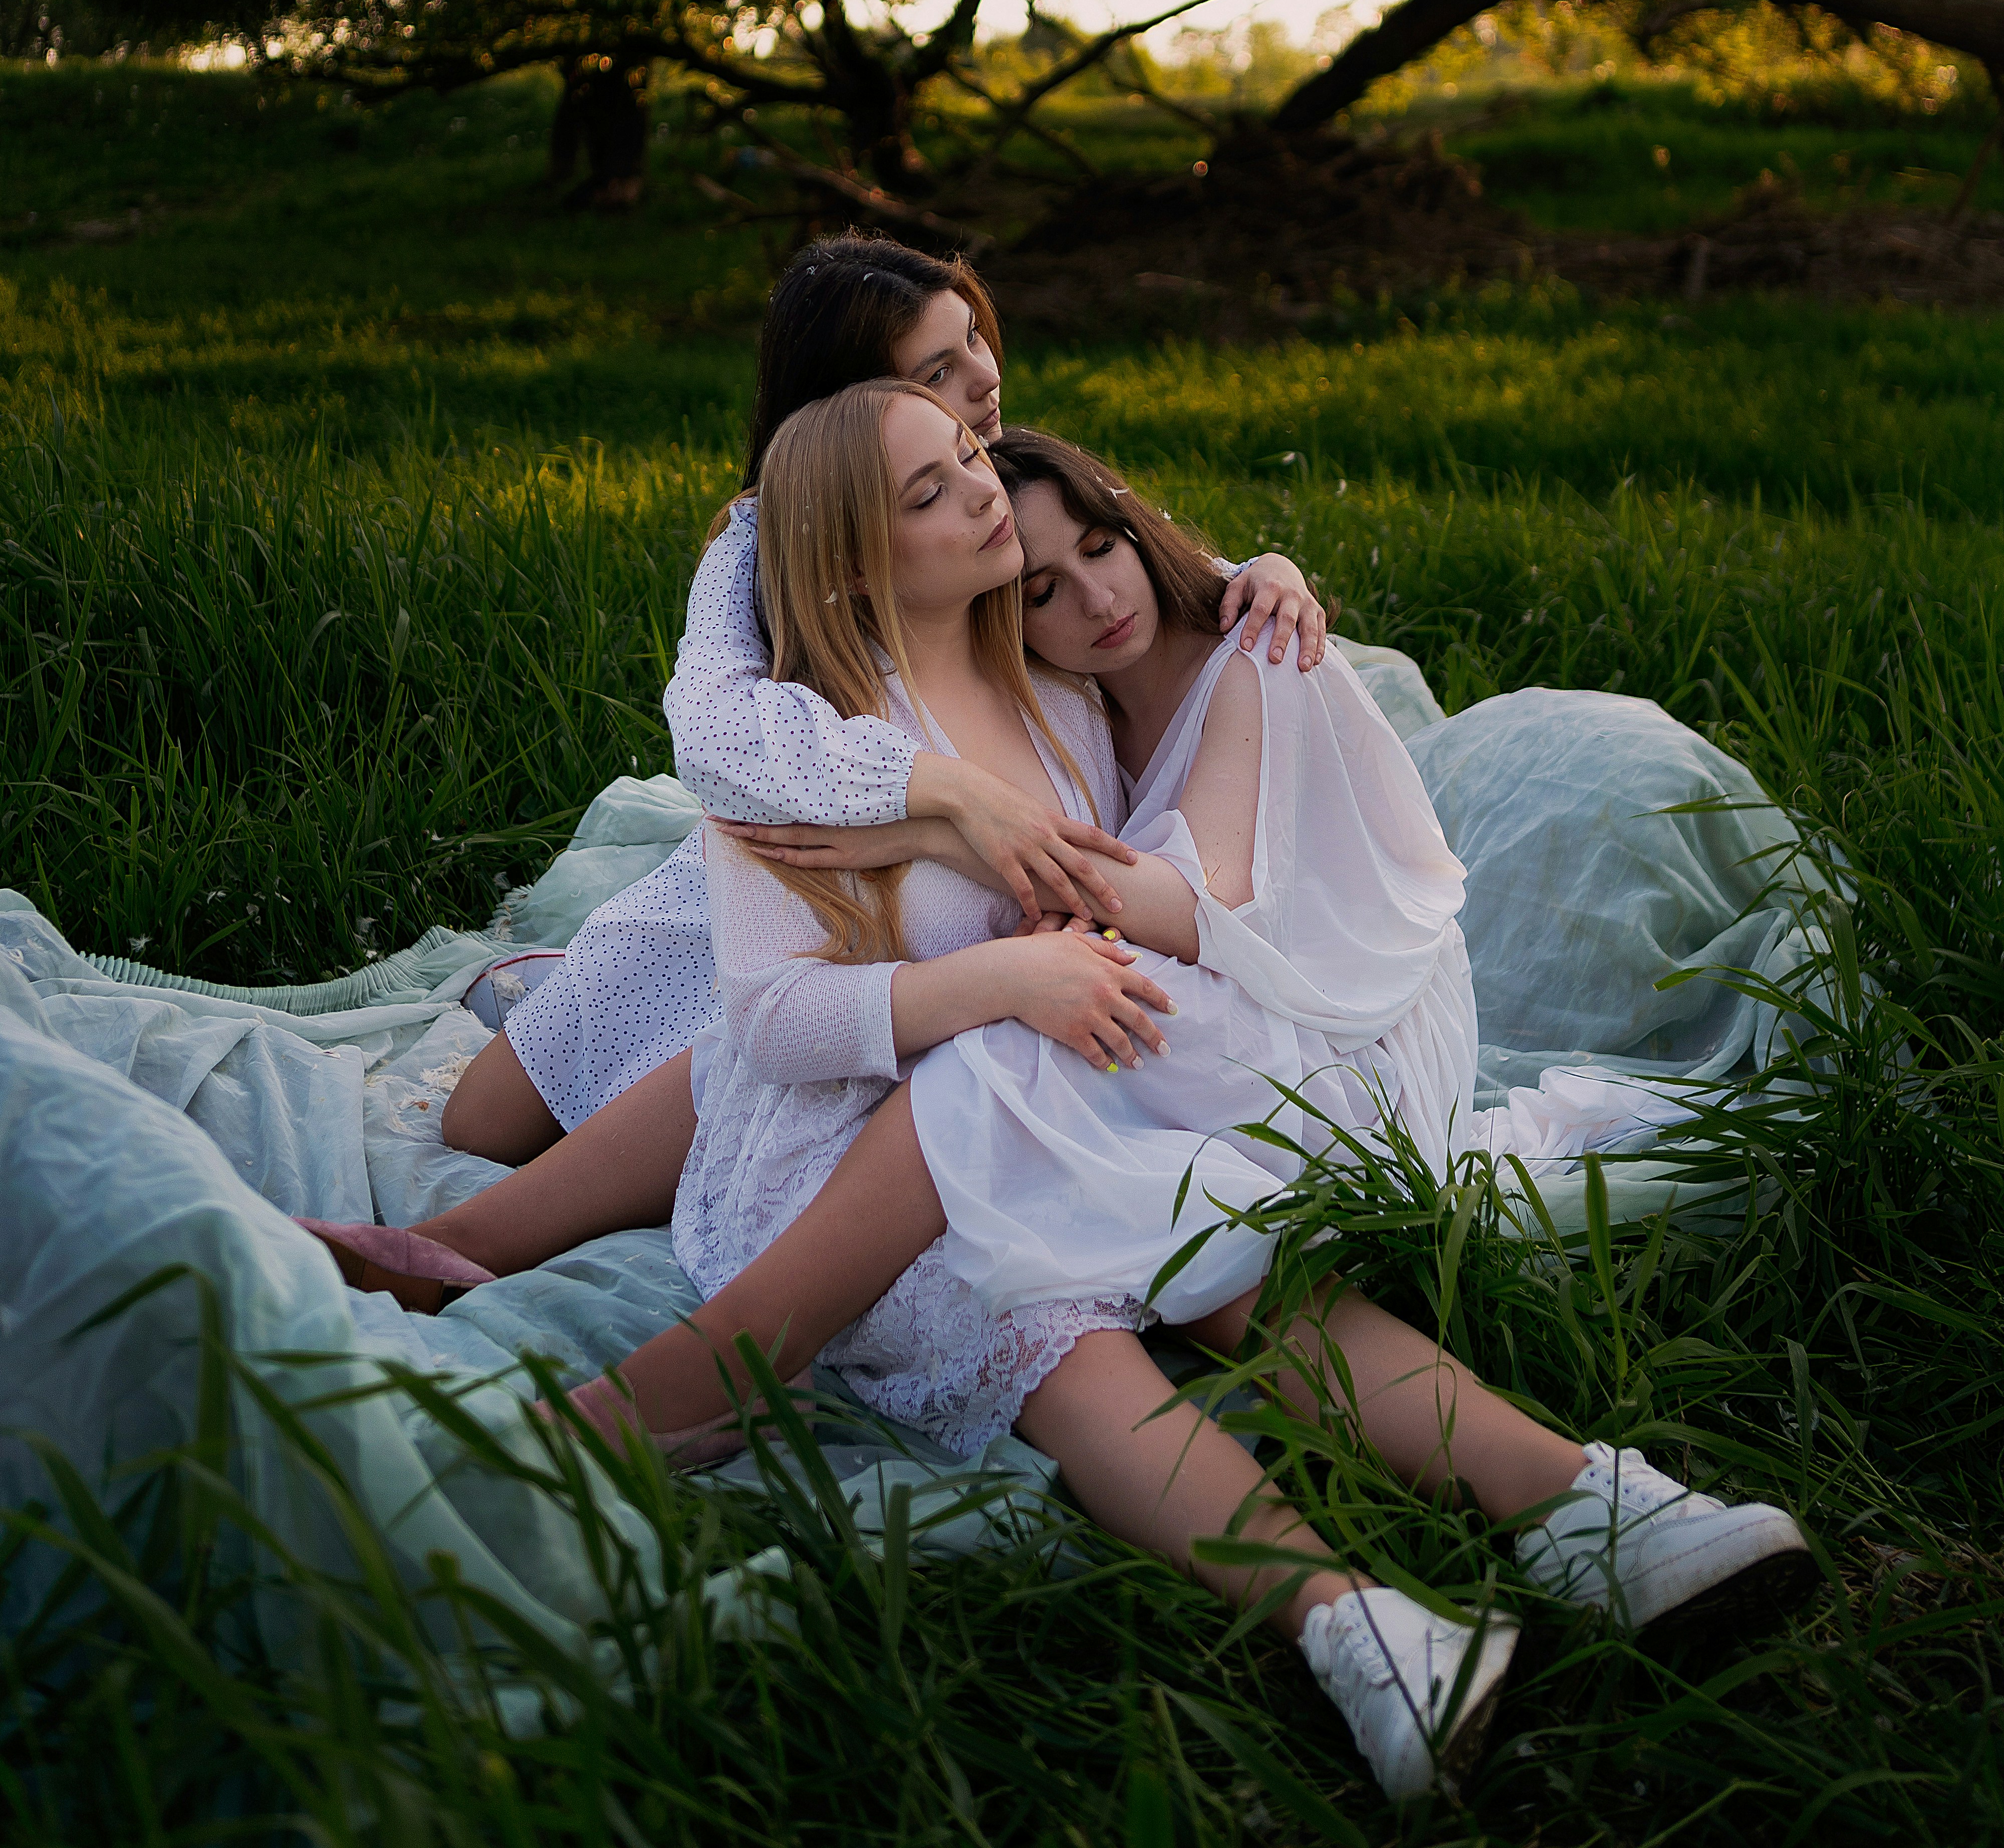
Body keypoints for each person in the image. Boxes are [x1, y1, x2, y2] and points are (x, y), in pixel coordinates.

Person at [312, 384, 1815, 1801]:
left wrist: (1256, 577)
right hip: (851, 1159)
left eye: (975, 463)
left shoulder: (1059, 702)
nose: (981, 485)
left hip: (1045, 1105)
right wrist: (998, 972)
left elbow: (1121, 594)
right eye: (939, 485)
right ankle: (1368, 1615)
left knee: (1214, 1250)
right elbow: (767, 1024)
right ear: (856, 553)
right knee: (1056, 1285)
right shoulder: (815, 751)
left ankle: (1589, 1515)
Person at [437, 232, 1324, 1168]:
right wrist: (943, 791)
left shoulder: (979, 472)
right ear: (852, 402)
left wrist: (1253, 572)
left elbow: (1106, 553)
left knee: (766, 1106)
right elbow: (710, 730)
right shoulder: (760, 541)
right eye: (940, 368)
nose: (984, 378)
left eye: (976, 337)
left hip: (930, 920)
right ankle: (546, 1007)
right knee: (483, 1128)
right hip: (785, 870)